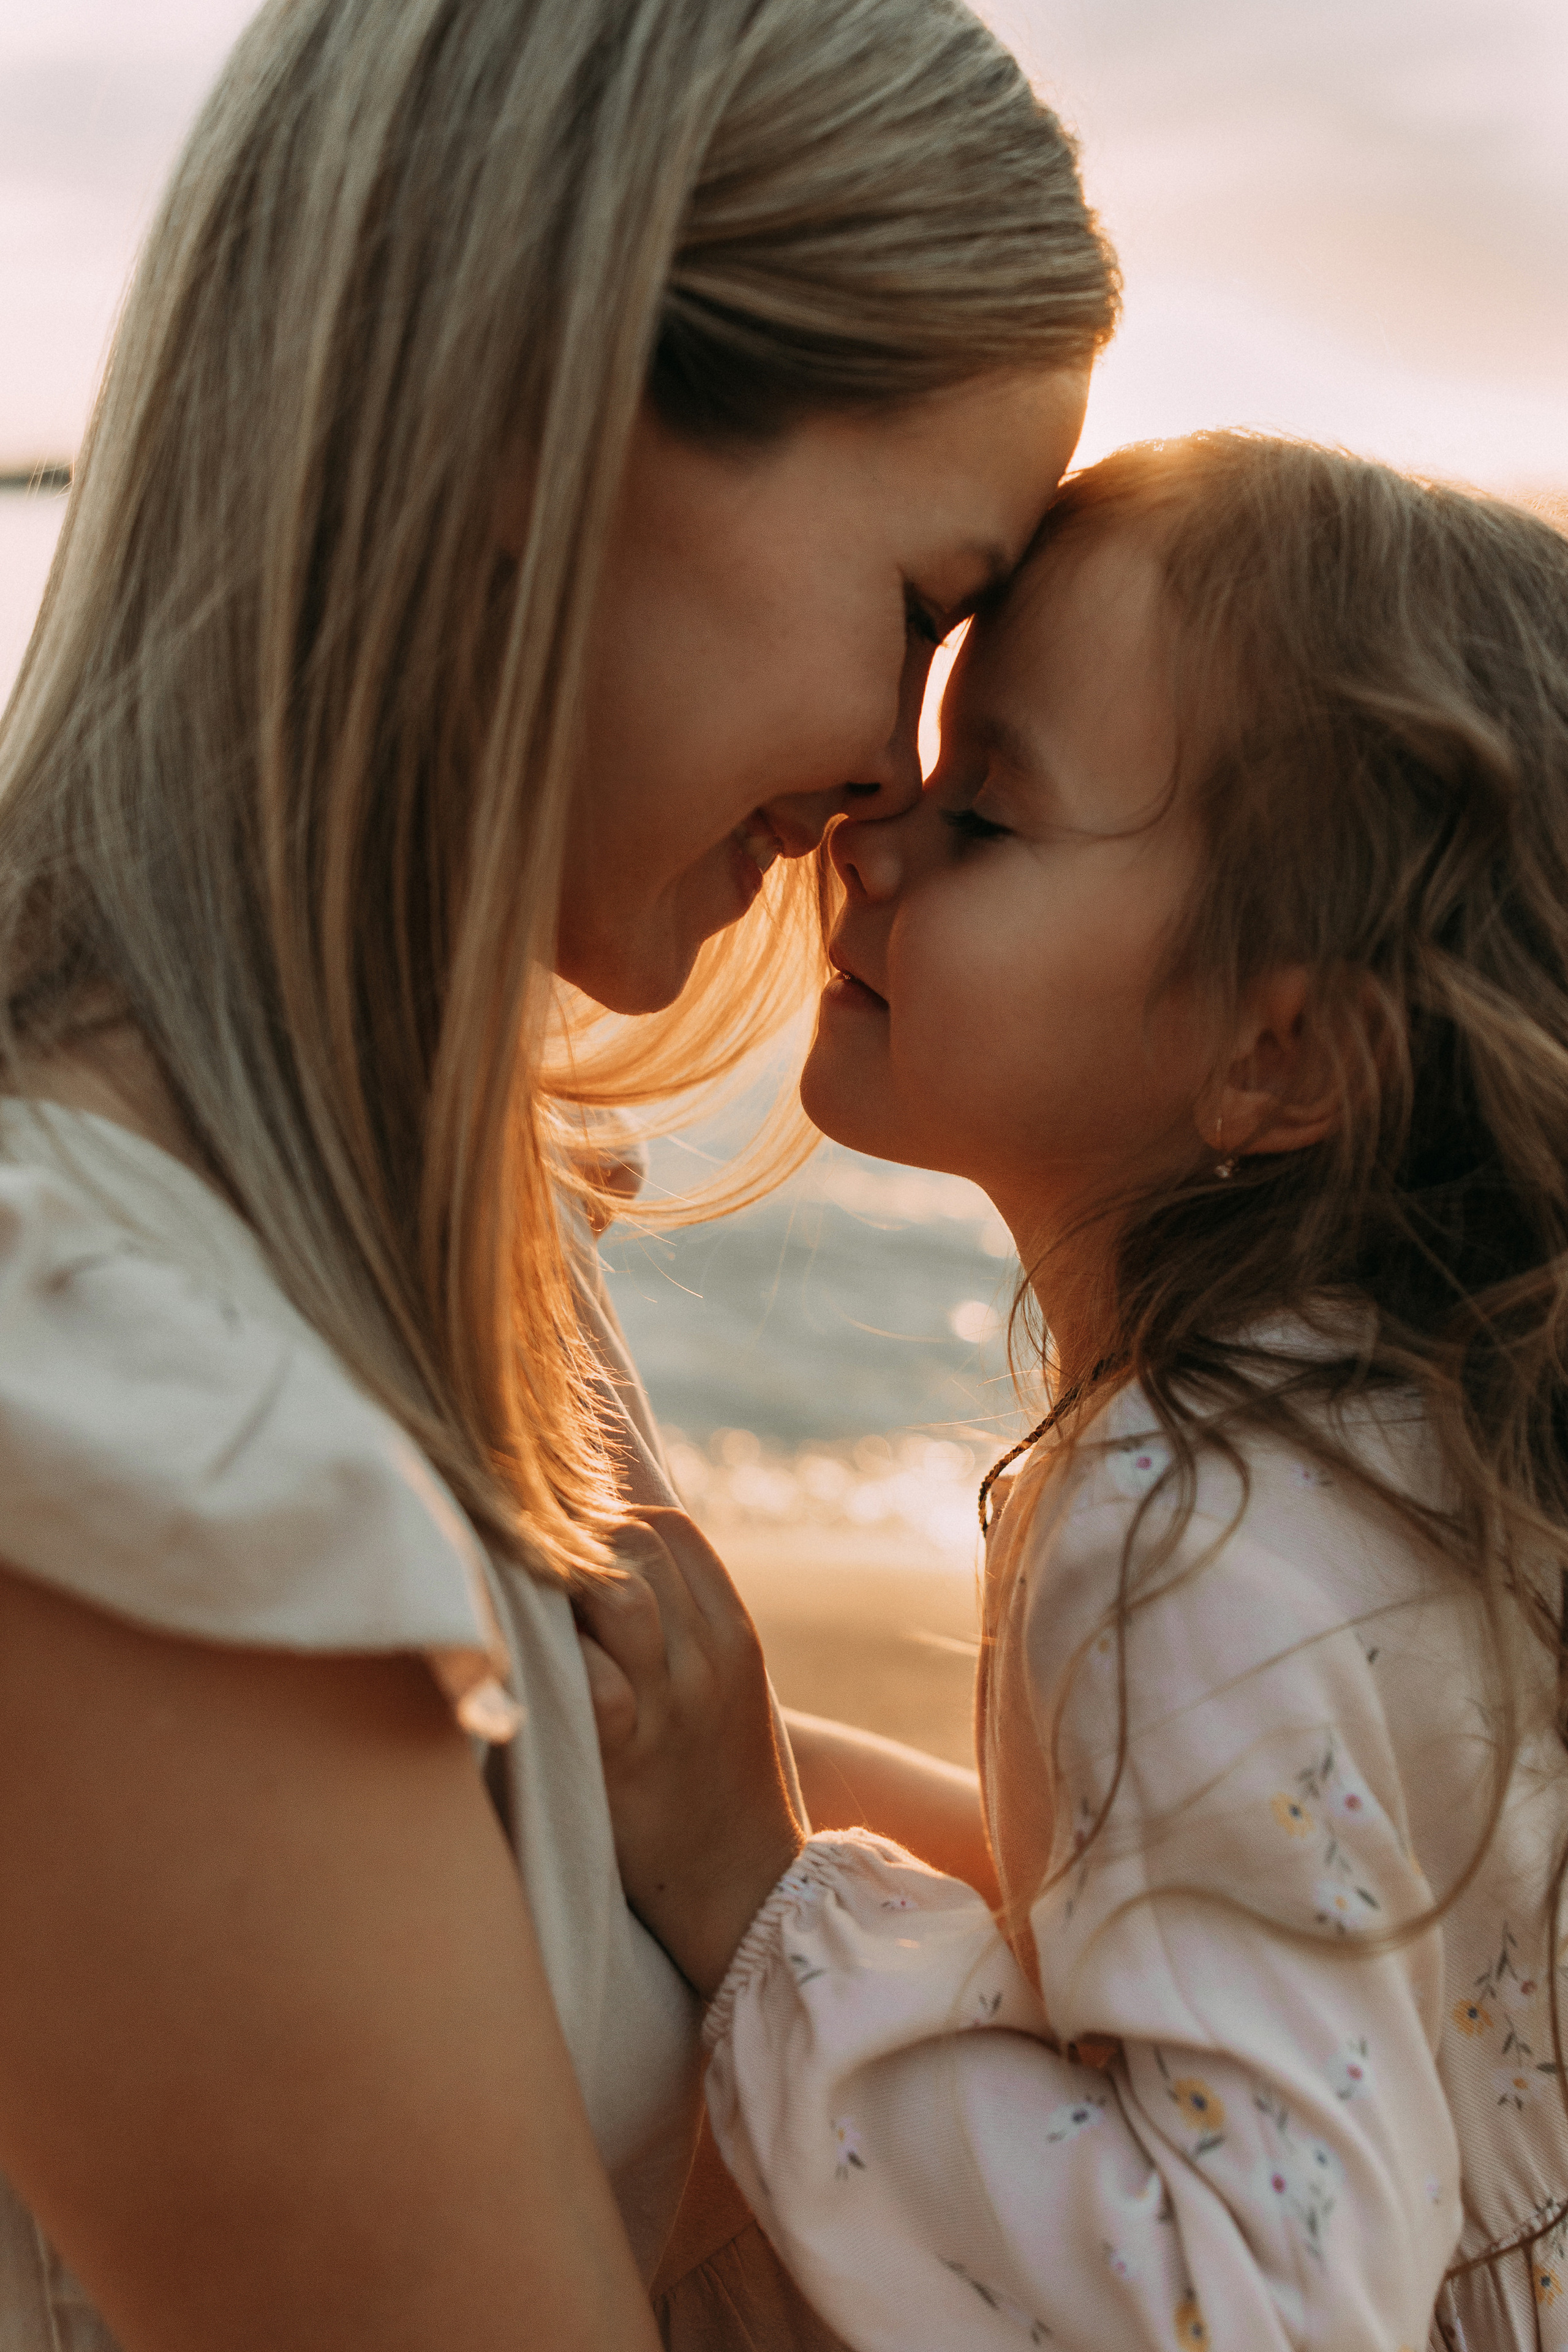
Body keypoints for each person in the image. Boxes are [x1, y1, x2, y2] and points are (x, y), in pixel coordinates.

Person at [0, 0, 1118, 2344]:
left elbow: (661, 1807)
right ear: (544, 421)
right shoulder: (95, 1413)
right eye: (926, 611)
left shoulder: (402, 1216)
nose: (891, 791)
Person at [581, 433, 1568, 2351]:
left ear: (1280, 1056)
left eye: (987, 818)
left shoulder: (1187, 1525)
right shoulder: (1390, 1440)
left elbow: (1245, 2303)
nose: (866, 834)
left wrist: (755, 1893)